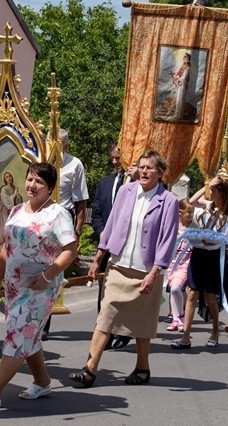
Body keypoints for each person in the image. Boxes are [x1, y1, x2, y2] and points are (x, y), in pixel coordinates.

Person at [0, 162, 78, 410]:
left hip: (41, 286)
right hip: (14, 285)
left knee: (18, 333)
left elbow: (70, 251)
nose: (32, 185)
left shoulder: (58, 214)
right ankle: (42, 381)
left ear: (50, 187)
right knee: (26, 332)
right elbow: (6, 249)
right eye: (30, 179)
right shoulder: (17, 210)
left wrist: (48, 275)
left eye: (39, 181)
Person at [70, 150, 178, 388]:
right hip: (118, 265)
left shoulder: (168, 201)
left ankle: (142, 368)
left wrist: (155, 272)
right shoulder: (126, 191)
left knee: (142, 323)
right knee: (105, 315)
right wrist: (98, 256)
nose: (144, 171)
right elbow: (111, 224)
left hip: (146, 269)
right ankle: (90, 369)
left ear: (160, 173)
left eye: (150, 168)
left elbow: (168, 239)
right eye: (142, 167)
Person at [172, 176, 228, 349]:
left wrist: (214, 241)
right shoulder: (208, 206)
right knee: (192, 293)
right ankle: (186, 336)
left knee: (210, 297)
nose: (210, 192)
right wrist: (208, 182)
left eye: (214, 189)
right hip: (199, 252)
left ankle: (215, 330)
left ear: (222, 192)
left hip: (214, 257)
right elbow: (191, 201)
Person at [42, 128, 88, 340]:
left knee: (53, 268)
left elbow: (80, 201)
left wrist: (77, 232)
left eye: (58, 143)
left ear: (66, 145)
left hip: (62, 219)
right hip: (40, 218)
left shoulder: (74, 165)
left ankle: (45, 321)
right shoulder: (39, 162)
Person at [91, 144, 131, 350]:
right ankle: (104, 331)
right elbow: (96, 213)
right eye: (113, 158)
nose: (115, 162)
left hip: (128, 247)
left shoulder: (138, 182)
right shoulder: (105, 183)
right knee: (104, 290)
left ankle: (123, 330)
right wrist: (103, 233)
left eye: (119, 157)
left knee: (123, 290)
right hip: (106, 245)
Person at [165, 199, 195, 332]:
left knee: (176, 288)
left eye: (192, 212)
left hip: (186, 263)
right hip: (172, 262)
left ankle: (180, 315)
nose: (190, 215)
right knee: (173, 290)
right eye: (188, 212)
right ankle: (176, 318)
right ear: (180, 213)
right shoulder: (174, 225)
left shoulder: (194, 227)